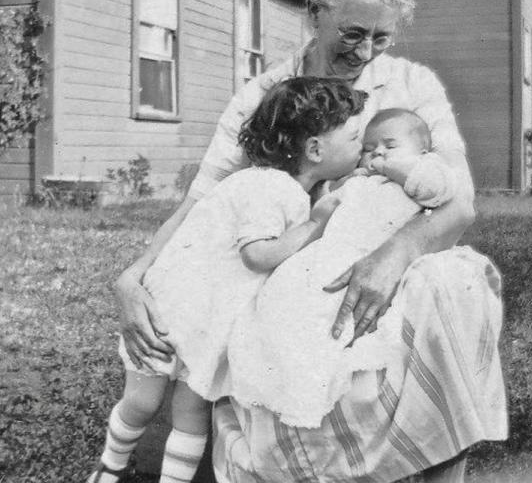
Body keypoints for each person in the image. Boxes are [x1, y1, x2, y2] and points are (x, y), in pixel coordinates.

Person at [114, 0, 507, 482]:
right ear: (315, 11)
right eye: (352, 33)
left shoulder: (413, 86)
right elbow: (201, 201)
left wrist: (394, 255)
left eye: (381, 37)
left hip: (393, 251)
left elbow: (459, 199)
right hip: (292, 269)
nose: (366, 50)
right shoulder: (265, 95)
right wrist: (134, 276)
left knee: (455, 283)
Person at [87, 76, 368, 483]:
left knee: (191, 412)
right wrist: (317, 224)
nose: (361, 146)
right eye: (355, 137)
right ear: (314, 149)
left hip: (212, 320)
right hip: (173, 312)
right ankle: (109, 468)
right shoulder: (269, 187)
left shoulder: (287, 186)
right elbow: (257, 255)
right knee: (142, 402)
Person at [228, 108, 466, 428]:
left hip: (371, 257)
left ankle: (312, 394)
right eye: (369, 149)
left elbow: (438, 189)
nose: (377, 153)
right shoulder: (364, 180)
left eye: (390, 146)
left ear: (421, 152)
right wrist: (348, 184)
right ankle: (285, 379)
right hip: (328, 255)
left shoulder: (427, 170)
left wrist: (391, 167)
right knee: (281, 302)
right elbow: (329, 209)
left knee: (329, 323)